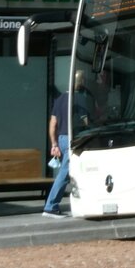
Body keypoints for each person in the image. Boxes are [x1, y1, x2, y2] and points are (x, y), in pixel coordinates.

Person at [42, 71, 87, 218]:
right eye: (82, 80)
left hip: (61, 139)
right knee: (65, 173)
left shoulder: (60, 99)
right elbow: (85, 121)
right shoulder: (78, 99)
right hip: (72, 138)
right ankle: (50, 206)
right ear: (78, 82)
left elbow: (53, 124)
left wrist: (54, 144)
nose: (83, 83)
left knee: (68, 171)